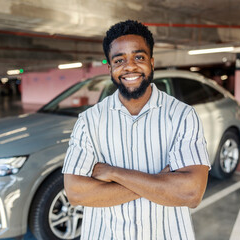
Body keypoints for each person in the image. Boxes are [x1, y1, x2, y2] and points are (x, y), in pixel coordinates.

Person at [62, 20, 210, 240]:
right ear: (110, 68)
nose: (129, 67)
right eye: (119, 60)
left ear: (151, 62)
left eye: (139, 57)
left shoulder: (182, 115)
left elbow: (190, 192)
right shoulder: (89, 121)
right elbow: (75, 193)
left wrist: (114, 173)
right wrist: (160, 182)